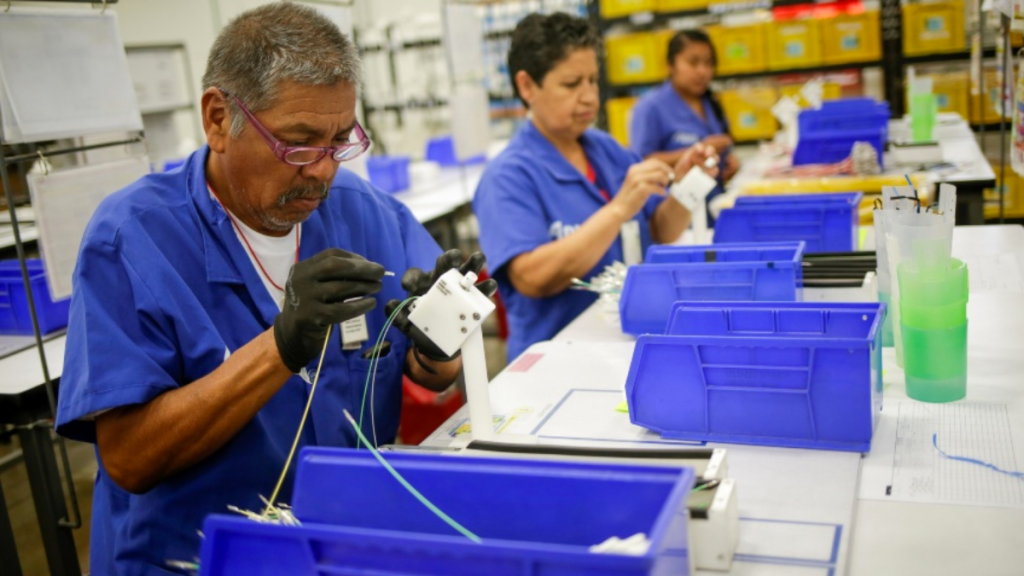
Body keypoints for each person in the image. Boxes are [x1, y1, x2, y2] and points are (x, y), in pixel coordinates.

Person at [54, 5, 494, 575]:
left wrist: (439, 341)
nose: (323, 171)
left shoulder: (367, 217)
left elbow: (427, 374)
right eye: (299, 143)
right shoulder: (132, 240)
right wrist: (279, 347)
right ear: (218, 118)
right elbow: (131, 459)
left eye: (340, 140)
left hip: (344, 545)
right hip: (198, 558)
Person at [473, 13, 717, 362]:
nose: (589, 97)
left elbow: (660, 229)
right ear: (527, 87)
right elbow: (532, 277)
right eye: (572, 84)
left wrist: (688, 186)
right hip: (556, 361)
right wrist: (617, 210)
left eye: (592, 80)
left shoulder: (607, 151)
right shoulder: (508, 176)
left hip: (622, 345)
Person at [629, 29, 740, 201]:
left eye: (708, 63)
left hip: (714, 205)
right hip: (674, 210)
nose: (702, 71)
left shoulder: (710, 101)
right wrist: (697, 151)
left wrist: (729, 163)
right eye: (693, 63)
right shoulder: (650, 107)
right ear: (670, 65)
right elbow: (642, 162)